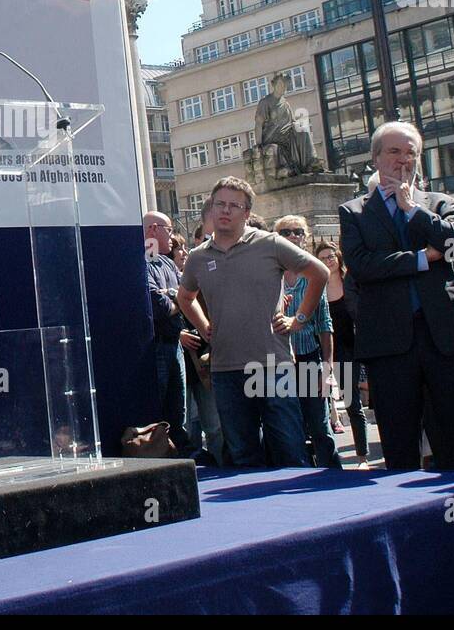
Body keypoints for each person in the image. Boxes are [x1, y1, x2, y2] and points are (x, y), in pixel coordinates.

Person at [339, 121, 454, 472]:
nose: (403, 160)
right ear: (375, 158)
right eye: (394, 151)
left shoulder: (438, 203)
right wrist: (422, 258)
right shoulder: (355, 212)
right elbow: (362, 267)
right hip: (390, 344)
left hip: (445, 337)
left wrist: (411, 210)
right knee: (400, 443)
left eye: (411, 152)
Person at [176, 177, 326, 468]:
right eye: (220, 203)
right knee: (243, 457)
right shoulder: (197, 257)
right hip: (226, 369)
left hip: (272, 366)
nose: (226, 210)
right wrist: (204, 325)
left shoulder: (270, 244)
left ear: (246, 213)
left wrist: (300, 319)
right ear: (211, 208)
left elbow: (318, 272)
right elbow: (185, 297)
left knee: (290, 450)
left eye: (235, 205)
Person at [275, 216, 341, 468]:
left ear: (305, 237)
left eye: (298, 232)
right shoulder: (272, 274)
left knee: (320, 424)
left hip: (309, 357)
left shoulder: (315, 274)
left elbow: (325, 324)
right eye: (286, 232)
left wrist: (327, 367)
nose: (293, 236)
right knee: (289, 427)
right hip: (278, 361)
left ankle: (332, 476)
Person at [317, 238, 369, 464]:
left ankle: (362, 456)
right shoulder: (316, 287)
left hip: (355, 347)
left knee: (355, 405)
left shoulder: (352, 281)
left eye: (331, 256)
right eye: (322, 258)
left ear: (338, 257)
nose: (328, 261)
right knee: (331, 403)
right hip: (329, 351)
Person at [145, 212, 187, 449]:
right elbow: (156, 304)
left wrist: (173, 297)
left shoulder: (169, 263)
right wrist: (176, 299)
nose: (172, 236)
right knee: (160, 409)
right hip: (158, 344)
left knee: (178, 410)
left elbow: (187, 293)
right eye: (169, 230)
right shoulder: (143, 261)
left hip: (175, 345)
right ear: (153, 229)